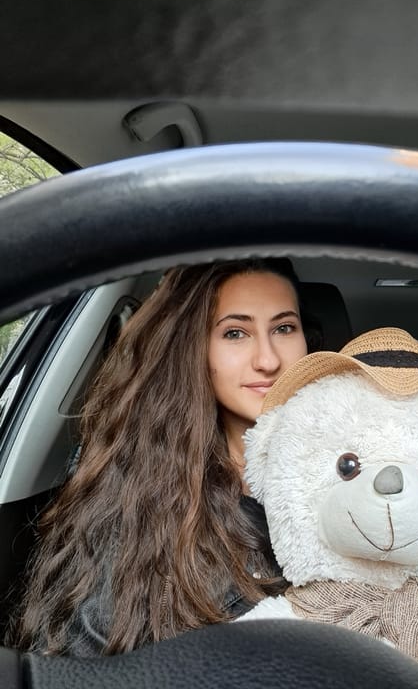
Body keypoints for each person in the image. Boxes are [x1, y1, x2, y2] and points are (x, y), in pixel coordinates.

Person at [12, 257, 316, 656]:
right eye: (235, 333)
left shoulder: (353, 474)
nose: (268, 359)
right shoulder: (139, 497)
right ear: (194, 349)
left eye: (283, 328)